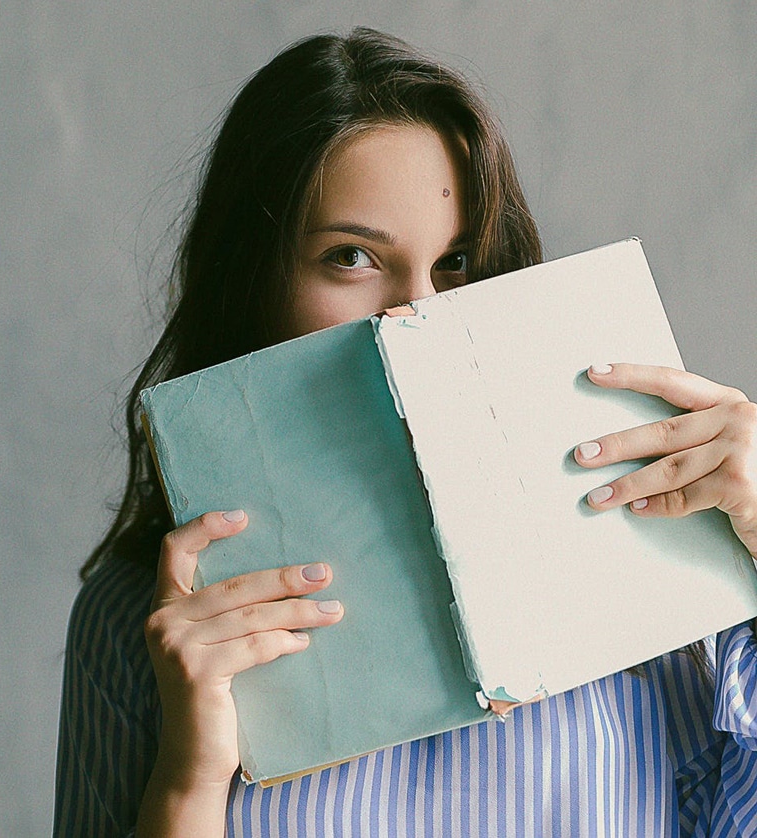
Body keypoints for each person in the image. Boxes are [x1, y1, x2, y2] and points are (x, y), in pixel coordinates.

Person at [53, 28, 757, 837]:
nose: (417, 311)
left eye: (457, 262)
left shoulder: (652, 554)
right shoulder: (139, 618)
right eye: (351, 256)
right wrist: (191, 780)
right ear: (256, 275)